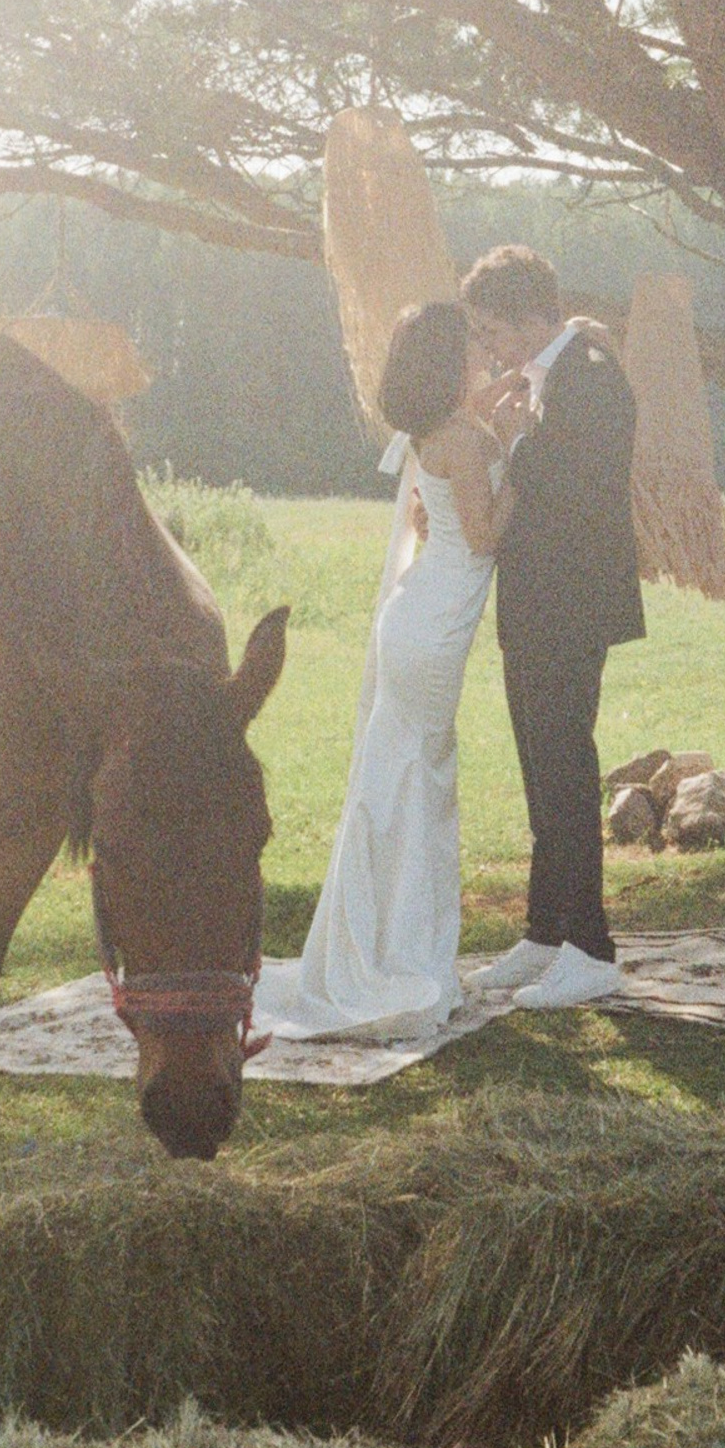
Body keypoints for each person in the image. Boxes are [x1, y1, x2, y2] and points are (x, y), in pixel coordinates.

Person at [253, 300, 508, 1039]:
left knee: (401, 786)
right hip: (429, 631)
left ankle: (390, 946)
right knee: (412, 790)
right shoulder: (461, 438)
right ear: (449, 361)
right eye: (472, 349)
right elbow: (486, 535)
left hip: (421, 619)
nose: (481, 358)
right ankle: (392, 957)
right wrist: (518, 457)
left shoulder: (443, 431)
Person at [457, 245, 645, 1011]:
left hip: (570, 605)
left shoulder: (589, 377)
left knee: (566, 768)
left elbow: (573, 488)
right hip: (534, 604)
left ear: (533, 316)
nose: (490, 349)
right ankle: (544, 931)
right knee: (540, 768)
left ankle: (591, 947)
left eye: (494, 331)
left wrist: (507, 446)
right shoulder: (551, 376)